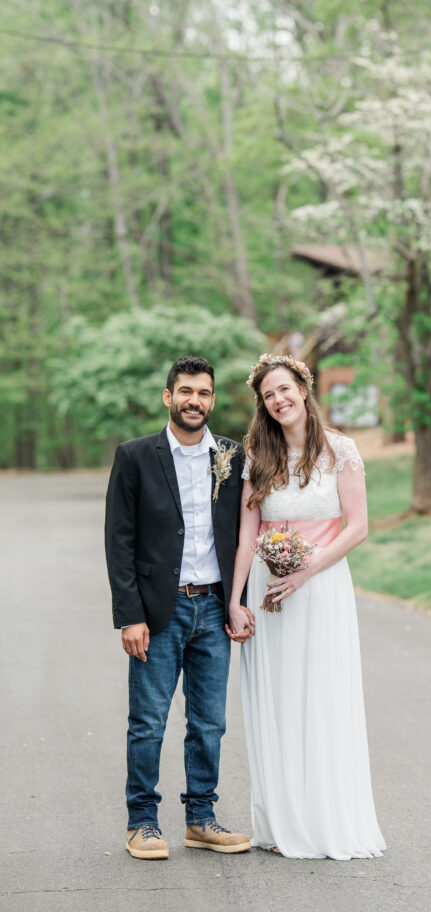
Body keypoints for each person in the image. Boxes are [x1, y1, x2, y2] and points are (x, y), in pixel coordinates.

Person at [227, 353, 386, 860]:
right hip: (267, 590)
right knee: (277, 697)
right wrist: (234, 599)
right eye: (268, 395)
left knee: (321, 693)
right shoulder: (257, 454)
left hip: (321, 588)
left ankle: (325, 821)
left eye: (285, 389)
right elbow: (247, 537)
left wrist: (307, 568)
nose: (278, 400)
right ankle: (281, 821)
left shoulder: (341, 450)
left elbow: (357, 527)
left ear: (303, 387)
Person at [105, 356, 254, 860]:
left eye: (205, 393)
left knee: (209, 723)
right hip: (157, 612)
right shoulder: (135, 456)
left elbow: (246, 534)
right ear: (168, 397)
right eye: (186, 391)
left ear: (213, 400)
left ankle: (200, 818)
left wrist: (240, 602)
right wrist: (129, 614)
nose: (195, 401)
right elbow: (119, 539)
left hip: (213, 608)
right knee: (148, 721)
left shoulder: (232, 456)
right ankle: (142, 821)